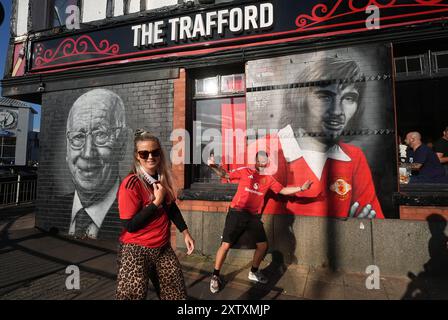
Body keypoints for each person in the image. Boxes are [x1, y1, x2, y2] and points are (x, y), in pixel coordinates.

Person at [253, 57, 384, 218]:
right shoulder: (268, 148)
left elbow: (372, 222)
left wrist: (357, 229)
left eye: (349, 98)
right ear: (299, 98)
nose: (337, 111)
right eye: (324, 96)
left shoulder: (354, 157)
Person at [207, 151, 313, 293]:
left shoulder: (268, 179)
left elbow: (283, 190)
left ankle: (253, 272)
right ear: (255, 161)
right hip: (237, 213)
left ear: (267, 163)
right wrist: (213, 167)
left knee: (262, 246)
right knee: (225, 245)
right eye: (259, 160)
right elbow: (224, 174)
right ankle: (215, 276)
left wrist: (301, 188)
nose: (261, 163)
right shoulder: (245, 171)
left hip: (253, 217)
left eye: (264, 161)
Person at [116, 130, 195, 300]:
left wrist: (185, 232)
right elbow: (130, 225)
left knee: (176, 295)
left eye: (155, 152)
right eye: (144, 153)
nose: (150, 157)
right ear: (137, 156)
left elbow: (171, 207)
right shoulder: (131, 184)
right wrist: (155, 203)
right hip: (136, 250)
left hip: (162, 248)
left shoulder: (160, 178)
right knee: (131, 297)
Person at [65, 89, 128, 239]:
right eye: (78, 137)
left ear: (122, 145)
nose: (87, 153)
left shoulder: (134, 211)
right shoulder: (51, 210)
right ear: (66, 148)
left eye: (101, 134)